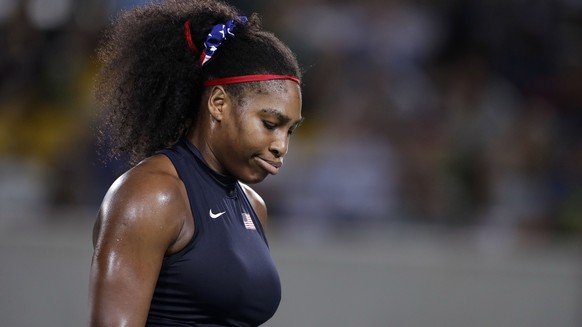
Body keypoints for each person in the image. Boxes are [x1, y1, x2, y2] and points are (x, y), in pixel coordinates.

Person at [89, 0, 303, 326]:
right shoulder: (151, 195)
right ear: (218, 104)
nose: (281, 146)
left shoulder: (254, 207)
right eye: (270, 124)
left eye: (290, 130)